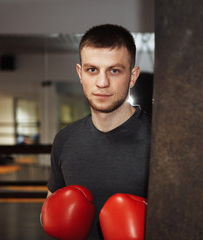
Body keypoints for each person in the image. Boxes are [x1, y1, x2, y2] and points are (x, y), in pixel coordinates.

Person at [45, 24, 152, 239]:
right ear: (80, 73)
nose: (102, 83)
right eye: (92, 70)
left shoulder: (160, 141)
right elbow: (50, 207)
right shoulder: (65, 140)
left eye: (114, 70)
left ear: (132, 76)